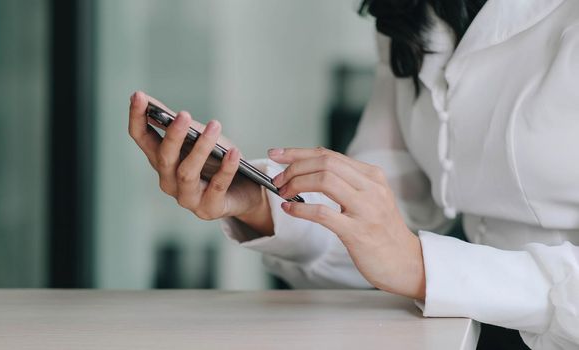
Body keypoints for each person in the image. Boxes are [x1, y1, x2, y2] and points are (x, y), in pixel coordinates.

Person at [127, 1, 579, 349]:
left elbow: (404, 256)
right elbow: (383, 223)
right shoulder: (410, 12)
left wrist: (422, 266)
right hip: (465, 330)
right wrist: (261, 203)